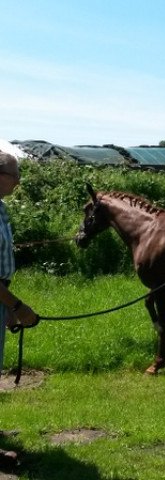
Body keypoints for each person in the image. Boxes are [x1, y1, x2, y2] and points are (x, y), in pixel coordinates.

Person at [0, 152, 39, 470]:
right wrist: (16, 305)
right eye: (14, 174)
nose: (18, 180)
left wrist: (7, 309)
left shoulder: (1, 209)